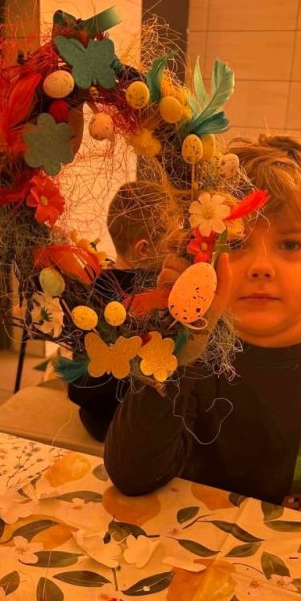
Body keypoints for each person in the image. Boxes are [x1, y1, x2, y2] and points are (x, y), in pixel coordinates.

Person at [105, 134, 301, 535]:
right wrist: (173, 336)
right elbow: (132, 475)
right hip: (189, 547)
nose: (262, 266)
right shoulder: (191, 349)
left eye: (290, 244)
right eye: (238, 242)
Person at [67, 181, 176, 441]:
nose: (176, 252)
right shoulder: (159, 296)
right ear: (143, 249)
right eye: (172, 245)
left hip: (94, 418)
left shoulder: (92, 287)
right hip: (132, 428)